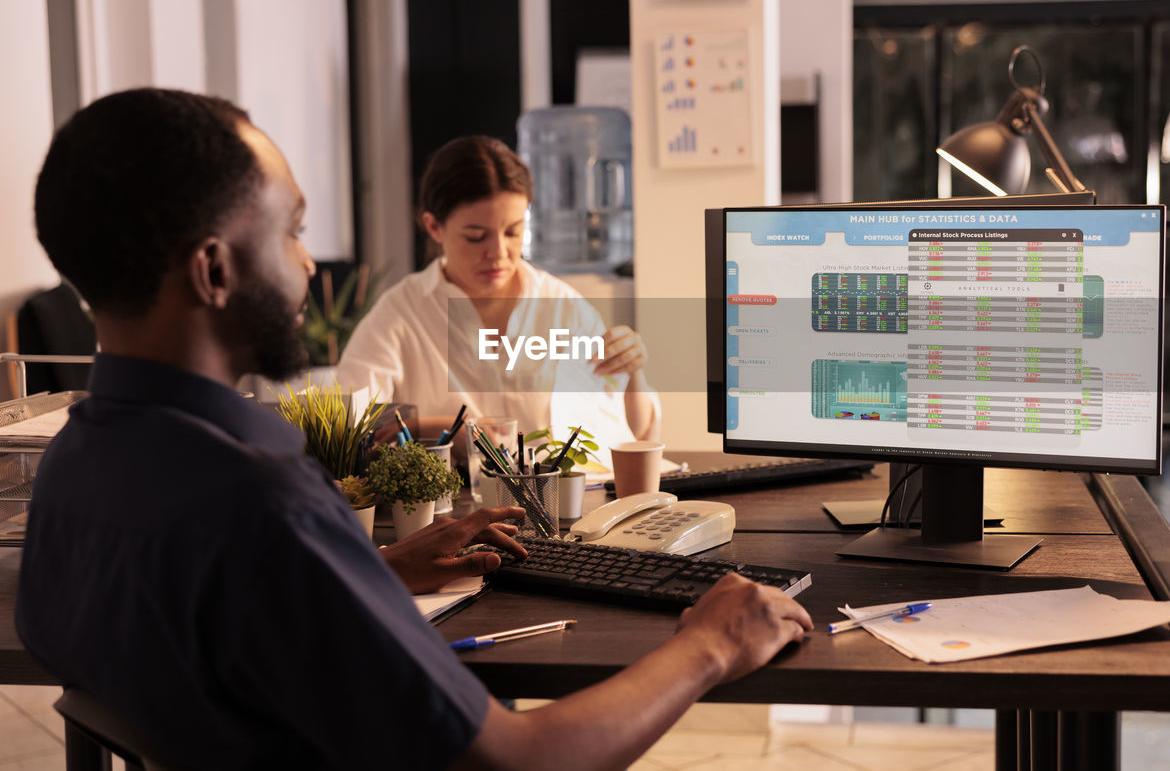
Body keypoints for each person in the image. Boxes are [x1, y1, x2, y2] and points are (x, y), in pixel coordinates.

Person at [16, 89, 813, 769]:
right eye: (291, 230)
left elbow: (222, 626)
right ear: (214, 269)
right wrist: (710, 644)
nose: (307, 267)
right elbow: (515, 758)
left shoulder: (72, 467)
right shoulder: (264, 504)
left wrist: (380, 568)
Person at [336, 136, 659, 458]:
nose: (499, 253)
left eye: (513, 232)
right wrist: (442, 428)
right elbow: (350, 431)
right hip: (453, 505)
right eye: (476, 237)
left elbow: (639, 435)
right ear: (434, 227)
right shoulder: (400, 314)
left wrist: (634, 370)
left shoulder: (561, 305)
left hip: (564, 500)